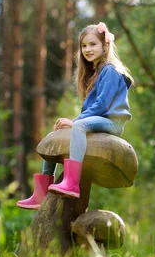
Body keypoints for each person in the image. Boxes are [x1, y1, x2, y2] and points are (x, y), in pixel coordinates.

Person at [17, 22, 134, 210]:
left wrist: (74, 122)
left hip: (112, 123)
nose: (87, 49)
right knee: (55, 135)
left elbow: (102, 106)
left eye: (93, 44)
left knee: (78, 126)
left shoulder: (111, 71)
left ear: (105, 46)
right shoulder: (95, 72)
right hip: (101, 119)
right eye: (84, 46)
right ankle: (41, 193)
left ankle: (72, 183)